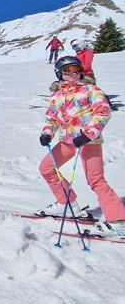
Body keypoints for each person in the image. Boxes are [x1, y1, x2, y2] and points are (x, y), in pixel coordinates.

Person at [36, 56, 125, 239]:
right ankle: (67, 204)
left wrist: (88, 134)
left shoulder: (90, 90)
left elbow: (103, 112)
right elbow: (52, 119)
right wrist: (47, 133)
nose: (72, 73)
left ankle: (119, 222)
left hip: (88, 140)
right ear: (59, 73)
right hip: (67, 140)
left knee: (95, 179)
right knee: (47, 169)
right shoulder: (57, 95)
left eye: (76, 69)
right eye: (67, 70)